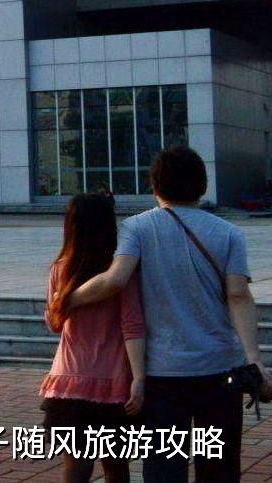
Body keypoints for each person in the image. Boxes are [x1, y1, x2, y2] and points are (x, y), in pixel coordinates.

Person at [66, 147, 272, 483]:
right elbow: (238, 295)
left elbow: (116, 279)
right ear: (203, 186)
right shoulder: (229, 233)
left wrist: (68, 299)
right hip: (220, 369)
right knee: (218, 468)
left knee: (163, 468)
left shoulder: (137, 227)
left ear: (155, 187)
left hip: (162, 373)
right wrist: (254, 358)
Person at [41, 194, 146, 483]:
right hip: (113, 382)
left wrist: (65, 300)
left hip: (68, 380)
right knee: (116, 467)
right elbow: (132, 325)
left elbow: (53, 324)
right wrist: (139, 378)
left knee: (76, 466)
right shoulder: (120, 271)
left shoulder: (60, 268)